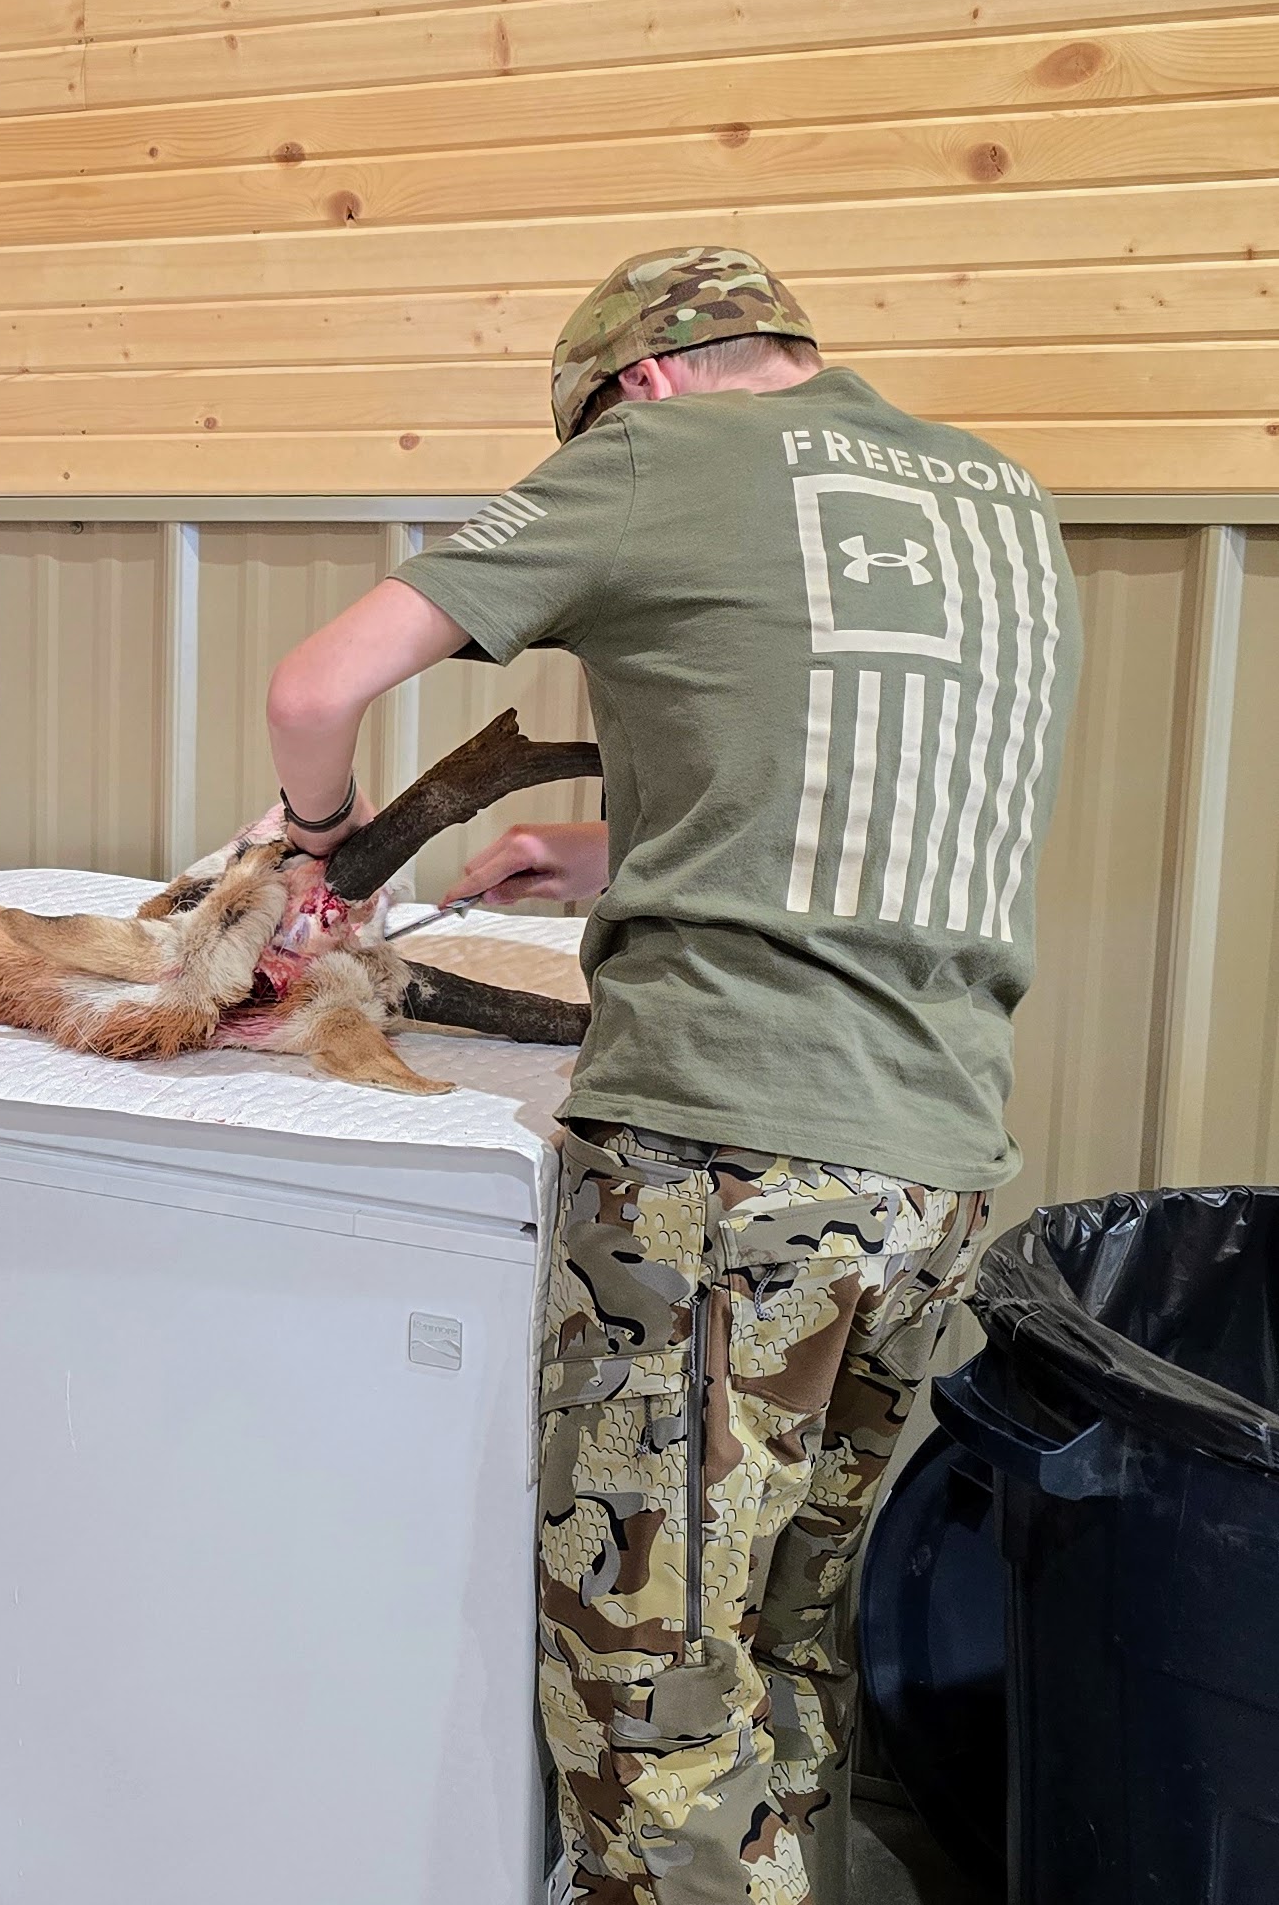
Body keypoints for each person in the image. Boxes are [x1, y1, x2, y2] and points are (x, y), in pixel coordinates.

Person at [263, 249, 1079, 1905]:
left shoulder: (650, 455)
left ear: (631, 382)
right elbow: (860, 785)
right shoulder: (994, 493)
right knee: (782, 1639)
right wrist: (612, 850)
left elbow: (315, 684)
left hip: (724, 1158)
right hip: (929, 1156)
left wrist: (315, 837)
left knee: (648, 1694)